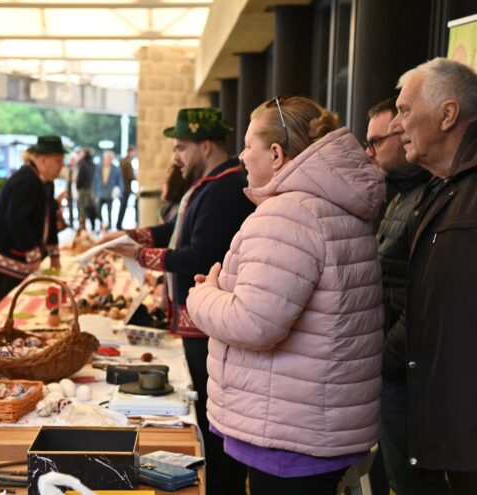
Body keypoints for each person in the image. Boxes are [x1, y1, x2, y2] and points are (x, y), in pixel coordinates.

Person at [186, 96, 384, 494]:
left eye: (248, 146)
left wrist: (203, 296)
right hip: (316, 423)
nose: (241, 157)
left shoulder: (287, 214)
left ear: (276, 154)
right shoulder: (333, 206)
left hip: (289, 431)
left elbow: (255, 322)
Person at [109, 108, 253, 495]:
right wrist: (133, 236)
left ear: (205, 146)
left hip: (207, 330)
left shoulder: (225, 187)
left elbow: (198, 253)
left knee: (213, 424)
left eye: (180, 147)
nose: (176, 156)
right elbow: (174, 231)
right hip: (195, 326)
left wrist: (141, 257)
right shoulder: (209, 183)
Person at [387, 58, 477, 493]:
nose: (396, 126)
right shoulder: (440, 191)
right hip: (450, 423)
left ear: (447, 114)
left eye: (405, 111)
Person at [364, 98, 447, 495]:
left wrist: (385, 357)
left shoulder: (428, 197)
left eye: (377, 140)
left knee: (414, 482)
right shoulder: (397, 195)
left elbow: (427, 297)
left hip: (405, 366)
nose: (370, 151)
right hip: (395, 362)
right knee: (394, 474)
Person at [0, 135, 64, 302]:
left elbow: (50, 218)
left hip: (20, 257)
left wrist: (54, 253)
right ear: (42, 161)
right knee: (8, 307)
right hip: (5, 260)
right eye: (58, 161)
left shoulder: (46, 182)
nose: (62, 166)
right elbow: (16, 220)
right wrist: (34, 256)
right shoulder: (25, 180)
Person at [93, 150, 123, 230]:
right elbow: (94, 180)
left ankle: (109, 226)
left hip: (110, 193)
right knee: (98, 210)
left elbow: (119, 181)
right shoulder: (98, 167)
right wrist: (93, 192)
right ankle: (101, 224)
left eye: (110, 158)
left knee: (110, 211)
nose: (109, 160)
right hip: (100, 192)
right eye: (107, 158)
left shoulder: (116, 169)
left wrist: (120, 191)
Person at [75, 147, 97, 231]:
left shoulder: (83, 164)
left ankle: (82, 226)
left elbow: (80, 177)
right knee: (91, 207)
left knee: (82, 208)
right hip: (91, 189)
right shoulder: (93, 165)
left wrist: (78, 187)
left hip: (83, 189)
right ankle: (93, 224)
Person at [116, 146, 137, 229]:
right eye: (133, 152)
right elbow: (130, 176)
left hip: (121, 187)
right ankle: (119, 225)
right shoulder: (127, 162)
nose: (134, 154)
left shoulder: (121, 161)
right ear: (130, 152)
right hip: (126, 188)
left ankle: (119, 224)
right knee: (123, 207)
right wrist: (136, 177)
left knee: (122, 207)